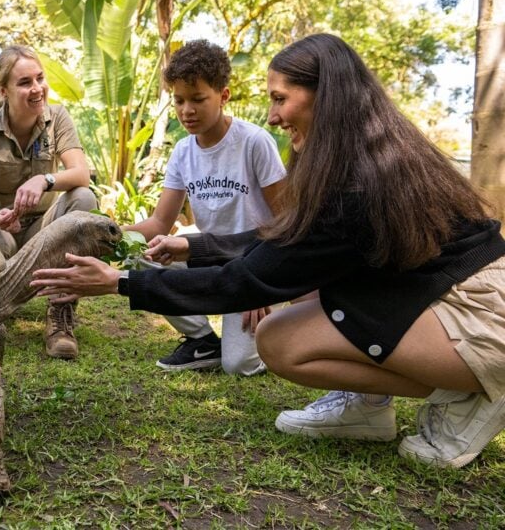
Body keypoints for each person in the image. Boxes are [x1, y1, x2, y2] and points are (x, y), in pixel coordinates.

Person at [31, 33, 505, 468]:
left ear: (328, 96)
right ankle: (368, 406)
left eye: (281, 99)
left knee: (278, 342)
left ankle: (470, 391)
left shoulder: (354, 182)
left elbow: (256, 271)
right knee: (283, 333)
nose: (274, 115)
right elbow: (284, 241)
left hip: (478, 312)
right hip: (428, 291)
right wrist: (186, 249)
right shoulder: (359, 153)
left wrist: (120, 282)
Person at [124, 39, 286, 373]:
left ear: (223, 96)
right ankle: (202, 340)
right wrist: (107, 232)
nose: (187, 111)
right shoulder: (183, 152)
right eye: (179, 100)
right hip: (209, 260)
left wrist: (264, 286)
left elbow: (286, 221)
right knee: (139, 256)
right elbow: (158, 224)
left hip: (254, 268)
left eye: (198, 99)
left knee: (239, 365)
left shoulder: (254, 143)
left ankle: (275, 325)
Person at [0, 45, 97, 359]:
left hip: (45, 229)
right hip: (5, 235)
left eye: (39, 78)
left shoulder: (58, 117)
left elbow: (81, 174)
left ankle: (60, 315)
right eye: (25, 82)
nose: (37, 88)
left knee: (84, 199)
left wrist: (45, 179)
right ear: (3, 90)